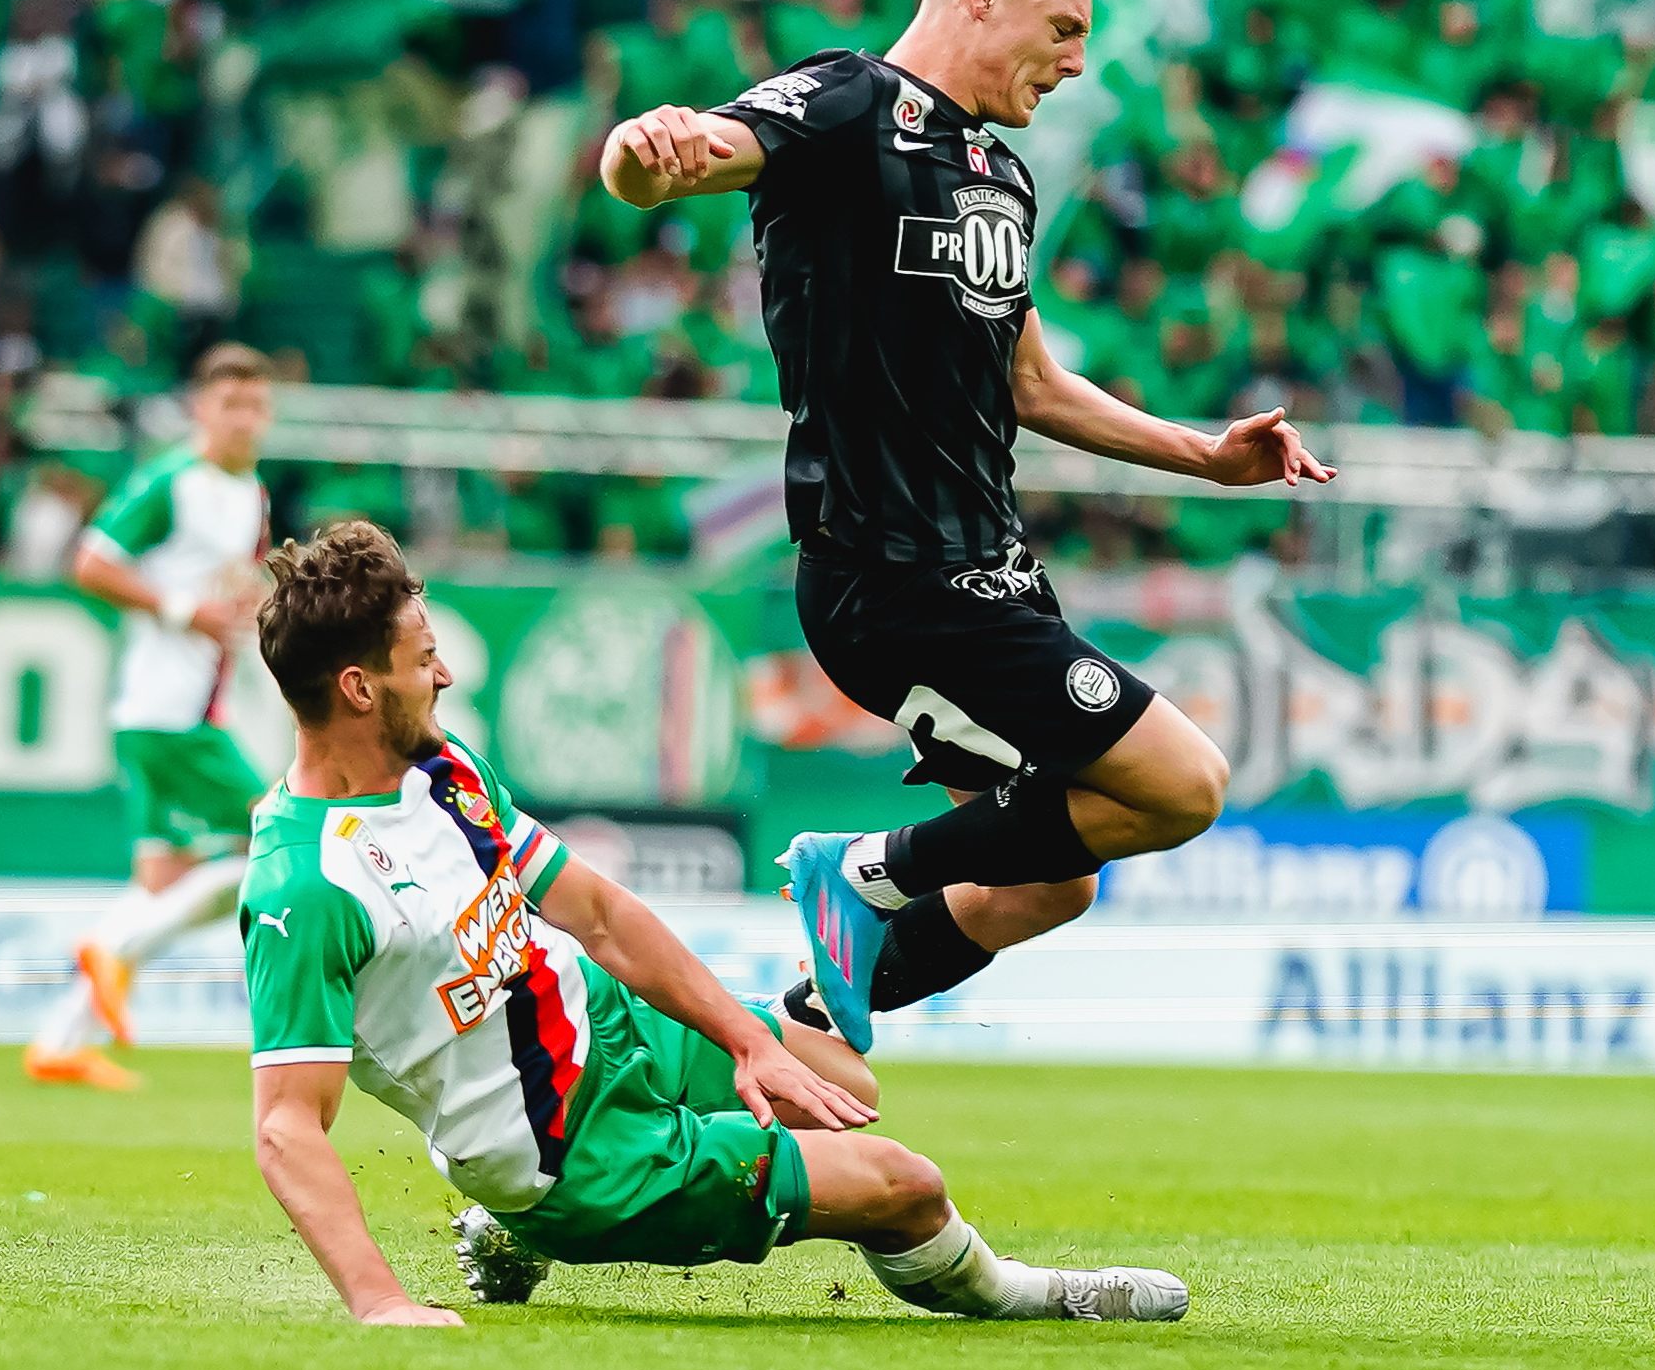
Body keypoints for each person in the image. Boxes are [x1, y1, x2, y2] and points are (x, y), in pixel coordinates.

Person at [597, 0, 1336, 1052]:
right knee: (1183, 786)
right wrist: (643, 155)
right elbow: (684, 160)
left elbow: (1030, 384)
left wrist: (1205, 456)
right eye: (1062, 28)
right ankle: (862, 873)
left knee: (1041, 883)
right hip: (893, 581)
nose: (1076, 62)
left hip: (987, 577)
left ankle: (765, 1041)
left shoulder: (1000, 175)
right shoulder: (848, 104)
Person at [242, 520, 1187, 1327]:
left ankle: (526, 1219)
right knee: (906, 1186)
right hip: (571, 1151)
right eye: (421, 660)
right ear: (360, 688)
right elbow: (287, 1127)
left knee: (836, 1074)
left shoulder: (442, 770)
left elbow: (602, 916)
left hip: (606, 1024)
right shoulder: (305, 888)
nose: (445, 673)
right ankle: (1036, 1293)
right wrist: (380, 1302)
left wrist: (748, 1044)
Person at [24, 342, 274, 1089]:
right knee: (274, 830)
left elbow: (232, 584)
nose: (245, 419)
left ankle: (59, 1041)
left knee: (163, 875)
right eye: (230, 403)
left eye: (257, 405)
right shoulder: (171, 480)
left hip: (181, 705)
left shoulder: (251, 492)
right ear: (200, 408)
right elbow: (91, 560)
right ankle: (108, 942)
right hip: (173, 712)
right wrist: (180, 609)